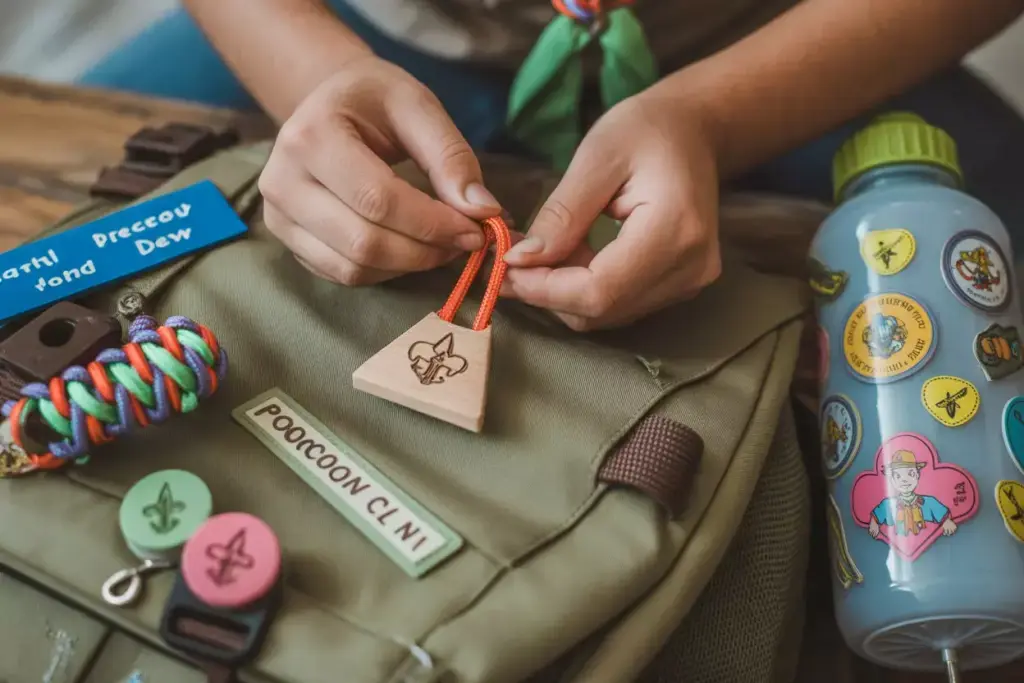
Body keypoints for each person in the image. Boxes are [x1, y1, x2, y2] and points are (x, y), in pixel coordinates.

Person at [79, 0, 1024, 331]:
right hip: (361, 28)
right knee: (69, 227)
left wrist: (712, 116)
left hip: (780, 37)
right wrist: (320, 80)